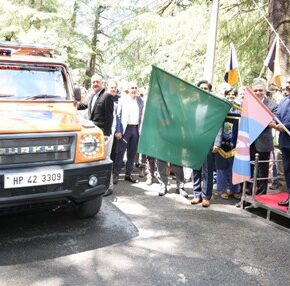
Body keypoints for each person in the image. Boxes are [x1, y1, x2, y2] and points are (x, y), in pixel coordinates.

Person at [246, 78, 277, 195]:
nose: (258, 93)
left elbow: (272, 121)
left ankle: (260, 197)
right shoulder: (248, 103)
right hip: (249, 142)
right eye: (255, 90)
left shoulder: (272, 105)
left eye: (260, 90)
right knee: (249, 169)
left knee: (262, 172)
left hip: (263, 142)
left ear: (265, 91)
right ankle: (247, 195)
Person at [87, 74, 114, 196]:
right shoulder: (93, 95)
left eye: (97, 82)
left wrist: (107, 133)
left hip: (103, 134)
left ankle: (109, 186)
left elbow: (109, 116)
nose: (95, 84)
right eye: (93, 82)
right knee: (96, 160)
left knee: (106, 159)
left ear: (102, 83)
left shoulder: (107, 96)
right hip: (93, 134)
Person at [113, 82, 144, 184]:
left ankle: (128, 174)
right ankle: (116, 174)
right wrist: (118, 130)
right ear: (128, 89)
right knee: (120, 152)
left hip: (135, 129)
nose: (134, 90)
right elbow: (118, 116)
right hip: (125, 129)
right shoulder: (123, 100)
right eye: (132, 88)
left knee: (132, 153)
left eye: (135, 88)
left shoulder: (140, 100)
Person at [191, 80, 215, 207]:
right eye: (201, 88)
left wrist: (216, 142)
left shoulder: (215, 106)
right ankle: (196, 194)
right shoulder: (193, 105)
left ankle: (206, 197)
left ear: (210, 90)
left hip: (208, 142)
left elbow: (219, 126)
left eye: (206, 88)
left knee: (207, 171)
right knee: (195, 168)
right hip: (195, 141)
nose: (203, 90)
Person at [214, 88, 241, 200]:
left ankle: (235, 190)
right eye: (228, 94)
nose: (231, 96)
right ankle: (223, 189)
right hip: (221, 143)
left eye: (233, 94)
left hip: (236, 143)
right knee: (221, 168)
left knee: (234, 168)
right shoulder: (220, 107)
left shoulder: (240, 108)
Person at [276, 83, 290, 206]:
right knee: (287, 171)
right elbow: (278, 116)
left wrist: (285, 126)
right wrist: (276, 123)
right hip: (285, 143)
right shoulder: (284, 101)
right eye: (286, 88)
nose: (287, 90)